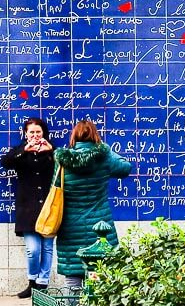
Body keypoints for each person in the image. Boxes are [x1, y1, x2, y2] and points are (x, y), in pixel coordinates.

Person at [53, 119, 132, 291]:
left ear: (74, 136)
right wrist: (107, 149)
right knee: (99, 276)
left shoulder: (62, 161)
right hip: (101, 224)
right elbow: (126, 167)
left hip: (71, 226)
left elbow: (56, 186)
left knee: (73, 279)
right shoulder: (104, 158)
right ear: (96, 136)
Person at [0, 117, 56, 299]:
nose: (35, 135)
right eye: (31, 132)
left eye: (38, 132)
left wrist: (52, 151)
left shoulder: (52, 151)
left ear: (44, 133)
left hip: (49, 206)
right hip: (28, 208)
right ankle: (32, 282)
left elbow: (66, 166)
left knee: (47, 247)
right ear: (25, 134)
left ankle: (43, 284)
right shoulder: (20, 151)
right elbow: (5, 163)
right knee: (33, 249)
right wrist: (25, 150)